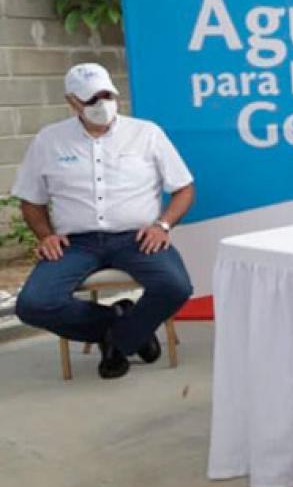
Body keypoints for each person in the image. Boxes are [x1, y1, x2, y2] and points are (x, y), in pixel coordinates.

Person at [12, 63, 195, 379]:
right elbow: (30, 199)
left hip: (137, 237)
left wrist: (162, 226)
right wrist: (45, 235)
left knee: (175, 287)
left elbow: (184, 188)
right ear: (72, 102)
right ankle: (123, 325)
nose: (102, 104)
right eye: (91, 99)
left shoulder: (146, 133)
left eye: (106, 95)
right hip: (76, 243)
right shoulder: (49, 140)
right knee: (33, 304)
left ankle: (118, 342)